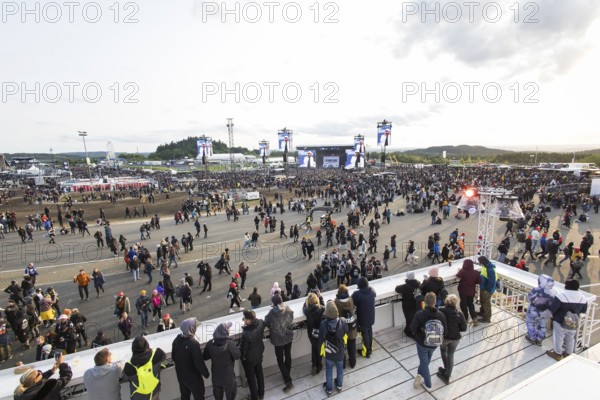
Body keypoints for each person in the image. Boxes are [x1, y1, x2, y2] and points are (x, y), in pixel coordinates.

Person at [410, 292, 447, 391]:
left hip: (422, 343)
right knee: (426, 360)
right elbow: (445, 331)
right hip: (435, 343)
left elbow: (412, 328)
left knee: (424, 362)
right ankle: (419, 374)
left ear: (425, 302)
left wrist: (418, 334)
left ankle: (428, 382)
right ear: (435, 302)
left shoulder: (420, 314)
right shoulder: (441, 315)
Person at [546, 279, 588, 361]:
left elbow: (553, 309)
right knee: (570, 337)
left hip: (560, 321)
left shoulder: (560, 296)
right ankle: (568, 353)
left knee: (559, 337)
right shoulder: (583, 298)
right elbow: (583, 311)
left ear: (566, 286)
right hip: (573, 321)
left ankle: (557, 353)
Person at [171, 318, 210, 400]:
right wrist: (206, 373)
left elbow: (173, 357)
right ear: (191, 329)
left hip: (181, 376)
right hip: (193, 378)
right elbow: (199, 362)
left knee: (185, 396)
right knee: (199, 396)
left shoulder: (176, 340)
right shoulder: (193, 344)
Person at [264, 294, 295, 393]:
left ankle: (288, 380)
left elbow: (266, 321)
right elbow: (291, 319)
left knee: (280, 359)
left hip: (278, 340)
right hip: (288, 337)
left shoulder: (272, 312)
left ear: (273, 303)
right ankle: (287, 374)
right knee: (288, 355)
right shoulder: (288, 309)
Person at [203, 322, 241, 400]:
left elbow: (205, 357)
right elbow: (237, 356)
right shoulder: (230, 344)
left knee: (218, 396)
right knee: (231, 394)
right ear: (225, 332)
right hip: (228, 376)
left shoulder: (210, 344)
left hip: (216, 376)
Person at [318, 300, 349, 396]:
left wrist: (320, 351)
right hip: (340, 351)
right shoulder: (343, 321)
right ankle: (339, 385)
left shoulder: (323, 324)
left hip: (329, 352)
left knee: (329, 369)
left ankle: (329, 389)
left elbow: (320, 339)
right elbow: (346, 332)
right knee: (340, 368)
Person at [437, 294, 467, 384]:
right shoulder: (459, 313)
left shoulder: (440, 310)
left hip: (445, 338)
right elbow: (464, 328)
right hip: (455, 338)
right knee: (451, 355)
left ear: (446, 301)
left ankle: (446, 373)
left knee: (443, 352)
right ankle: (447, 373)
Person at [240, 310, 266, 400]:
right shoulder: (260, 324)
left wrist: (242, 357)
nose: (244, 321)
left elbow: (243, 349)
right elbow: (262, 321)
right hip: (259, 354)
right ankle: (261, 393)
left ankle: (254, 397)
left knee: (251, 379)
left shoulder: (246, 334)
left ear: (248, 320)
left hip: (249, 359)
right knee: (259, 374)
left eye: (245, 319)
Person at [525, 275, 556, 345]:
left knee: (530, 323)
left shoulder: (537, 290)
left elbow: (529, 297)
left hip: (533, 310)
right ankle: (539, 339)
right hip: (545, 312)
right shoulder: (554, 293)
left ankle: (532, 337)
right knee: (542, 325)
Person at [352, 277, 376, 358]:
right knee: (369, 331)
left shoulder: (357, 294)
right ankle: (370, 347)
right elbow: (374, 294)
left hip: (363, 318)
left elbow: (351, 301)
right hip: (371, 316)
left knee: (365, 334)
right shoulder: (372, 290)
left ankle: (367, 352)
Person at [334, 284, 358, 369]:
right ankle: (353, 362)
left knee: (342, 346)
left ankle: (342, 364)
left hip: (342, 327)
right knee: (352, 345)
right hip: (351, 326)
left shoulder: (336, 302)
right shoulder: (351, 299)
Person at [303, 292, 325, 375]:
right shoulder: (321, 309)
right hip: (320, 333)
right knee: (319, 348)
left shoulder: (307, 311)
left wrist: (307, 300)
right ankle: (319, 365)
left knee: (314, 347)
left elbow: (304, 307)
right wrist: (320, 297)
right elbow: (323, 305)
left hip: (311, 333)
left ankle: (314, 365)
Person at [395, 271, 421, 338]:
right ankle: (414, 330)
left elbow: (397, 288)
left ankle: (409, 331)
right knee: (414, 317)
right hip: (416, 304)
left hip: (407, 305)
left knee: (408, 319)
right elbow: (417, 294)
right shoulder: (418, 284)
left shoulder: (405, 287)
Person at [456, 259, 481, 326]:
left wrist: (461, 270)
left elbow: (457, 277)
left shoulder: (463, 271)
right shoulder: (476, 272)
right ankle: (474, 319)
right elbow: (479, 281)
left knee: (463, 305)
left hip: (463, 291)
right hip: (471, 291)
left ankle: (465, 319)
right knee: (471, 304)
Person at [477, 256, 497, 323]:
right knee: (482, 301)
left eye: (480, 262)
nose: (480, 264)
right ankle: (482, 312)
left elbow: (492, 282)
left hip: (487, 290)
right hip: (484, 288)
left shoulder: (490, 269)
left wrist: (486, 290)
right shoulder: (486, 266)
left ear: (483, 262)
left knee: (486, 304)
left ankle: (487, 318)